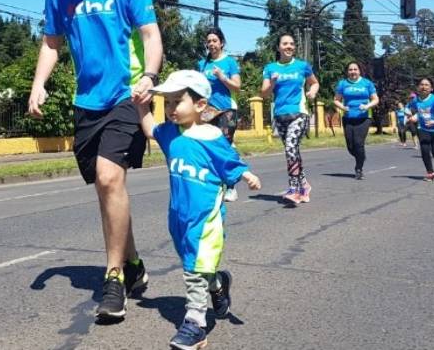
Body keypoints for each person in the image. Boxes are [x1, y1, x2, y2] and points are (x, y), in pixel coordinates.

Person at [29, 0, 163, 321]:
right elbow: (52, 43)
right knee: (108, 192)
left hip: (127, 94)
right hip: (85, 102)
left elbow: (150, 34)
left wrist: (151, 75)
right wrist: (38, 84)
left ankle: (114, 279)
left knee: (109, 178)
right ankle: (134, 263)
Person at [136, 70, 261, 350]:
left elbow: (232, 162)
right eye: (166, 103)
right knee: (196, 265)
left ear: (200, 105)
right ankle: (218, 286)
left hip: (206, 220)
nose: (169, 109)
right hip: (178, 217)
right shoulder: (170, 134)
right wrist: (140, 105)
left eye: (176, 102)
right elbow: (148, 129)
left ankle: (195, 324)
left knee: (193, 269)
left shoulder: (213, 138)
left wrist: (246, 175)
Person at [261, 34, 319, 205]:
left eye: (292, 44)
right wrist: (271, 83)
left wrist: (312, 92)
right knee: (292, 152)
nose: (289, 46)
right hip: (280, 115)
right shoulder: (270, 68)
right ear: (278, 47)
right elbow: (264, 93)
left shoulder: (302, 66)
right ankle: (304, 185)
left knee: (290, 147)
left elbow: (314, 83)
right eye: (285, 43)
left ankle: (294, 189)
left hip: (299, 113)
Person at [197, 27, 241, 201]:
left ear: (221, 43)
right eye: (209, 41)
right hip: (207, 111)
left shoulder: (229, 62)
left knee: (223, 147)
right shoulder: (202, 64)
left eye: (214, 40)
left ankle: (230, 187)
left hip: (226, 110)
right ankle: (214, 185)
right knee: (207, 146)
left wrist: (223, 77)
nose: (211, 44)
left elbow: (237, 86)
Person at [333, 61, 379, 179]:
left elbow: (375, 99)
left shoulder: (367, 83)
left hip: (364, 117)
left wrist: (367, 106)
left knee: (358, 143)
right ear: (347, 72)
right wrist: (343, 107)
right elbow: (336, 100)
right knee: (350, 146)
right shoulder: (343, 84)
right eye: (350, 70)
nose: (353, 72)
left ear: (359, 71)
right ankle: (361, 155)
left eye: (355, 69)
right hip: (348, 118)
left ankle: (359, 168)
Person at [407, 77, 434, 181]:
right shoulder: (415, 100)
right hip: (422, 129)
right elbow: (409, 109)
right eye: (422, 84)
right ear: (418, 87)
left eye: (427, 85)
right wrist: (412, 117)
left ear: (431, 88)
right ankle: (430, 173)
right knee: (425, 150)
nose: (424, 87)